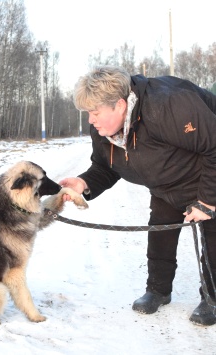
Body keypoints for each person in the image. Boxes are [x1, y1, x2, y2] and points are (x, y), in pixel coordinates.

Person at [60, 66, 216, 326]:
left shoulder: (167, 105)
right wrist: (83, 182)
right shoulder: (102, 130)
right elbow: (105, 167)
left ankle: (212, 298)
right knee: (160, 233)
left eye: (96, 112)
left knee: (212, 236)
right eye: (89, 113)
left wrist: (208, 201)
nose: (91, 120)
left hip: (207, 175)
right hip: (165, 184)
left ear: (120, 105)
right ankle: (157, 290)